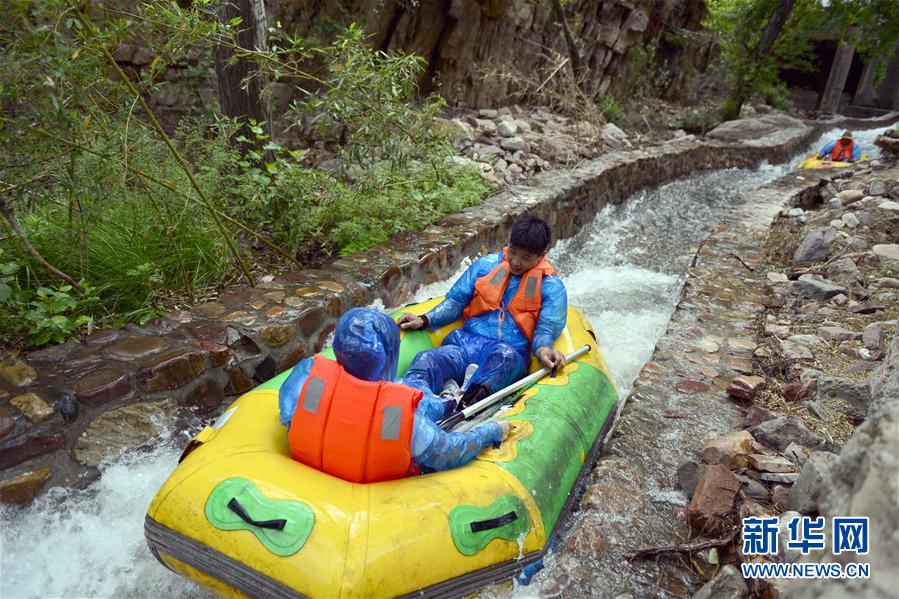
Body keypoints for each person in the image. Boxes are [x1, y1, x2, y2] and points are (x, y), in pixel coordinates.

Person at [278, 308, 511, 483]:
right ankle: (450, 402)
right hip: (381, 478)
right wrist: (488, 433)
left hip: (316, 458)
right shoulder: (397, 414)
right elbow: (447, 453)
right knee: (420, 400)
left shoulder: (308, 375)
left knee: (411, 393)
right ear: (387, 357)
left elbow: (288, 414)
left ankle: (448, 400)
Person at [397, 216, 567, 410]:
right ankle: (414, 403)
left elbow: (544, 330)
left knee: (503, 360)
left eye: (525, 257)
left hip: (507, 352)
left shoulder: (551, 288)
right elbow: (455, 302)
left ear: (541, 255)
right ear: (508, 244)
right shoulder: (485, 266)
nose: (515, 261)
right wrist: (425, 319)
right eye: (512, 252)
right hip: (464, 344)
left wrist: (545, 350)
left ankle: (462, 408)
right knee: (426, 360)